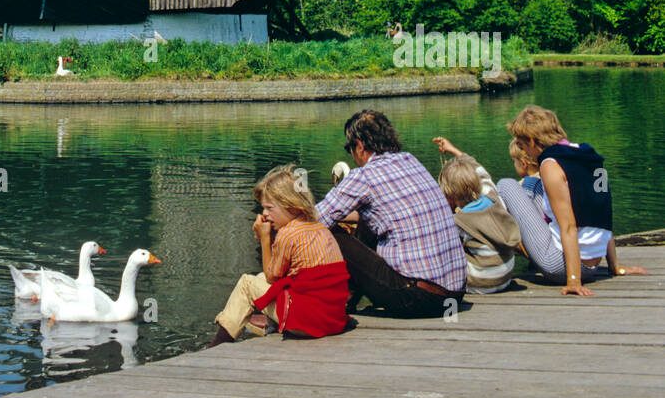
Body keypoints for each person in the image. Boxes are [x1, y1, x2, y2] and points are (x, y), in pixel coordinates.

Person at [316, 110, 466, 317]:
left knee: (330, 236)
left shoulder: (364, 176)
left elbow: (314, 220)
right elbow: (387, 213)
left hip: (419, 299)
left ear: (359, 146)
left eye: (350, 148)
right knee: (367, 222)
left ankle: (334, 302)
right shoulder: (410, 160)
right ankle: (348, 300)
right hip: (454, 296)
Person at [497, 104, 648, 297]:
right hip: (594, 264)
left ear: (533, 141)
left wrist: (573, 280)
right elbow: (603, 211)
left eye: (521, 145)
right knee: (531, 185)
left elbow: (569, 226)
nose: (523, 150)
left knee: (507, 184)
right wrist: (614, 266)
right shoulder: (589, 155)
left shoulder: (550, 165)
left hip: (558, 265)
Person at [209, 164, 349, 346]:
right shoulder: (321, 228)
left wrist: (265, 238)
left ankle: (217, 345)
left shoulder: (288, 234)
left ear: (292, 206)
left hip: (308, 322)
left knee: (247, 283)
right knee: (266, 280)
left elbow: (272, 276)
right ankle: (269, 326)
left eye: (269, 208)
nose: (265, 214)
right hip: (332, 320)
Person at [437, 152, 521, 294]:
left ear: (450, 195)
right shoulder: (494, 198)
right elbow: (483, 175)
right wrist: (456, 152)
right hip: (505, 277)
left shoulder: (460, 222)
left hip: (481, 283)